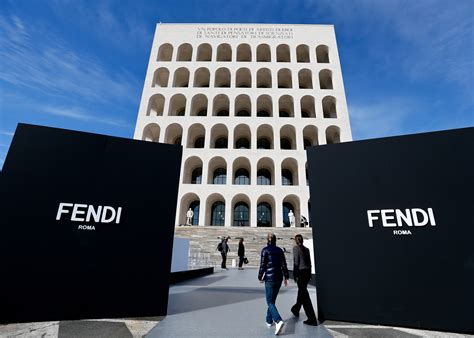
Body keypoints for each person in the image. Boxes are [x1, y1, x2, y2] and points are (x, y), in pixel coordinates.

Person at [258, 233, 289, 336]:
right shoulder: (280, 250)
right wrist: (286, 277)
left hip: (270, 279)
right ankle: (268, 320)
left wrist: (260, 276)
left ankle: (278, 320)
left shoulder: (265, 250)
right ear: (275, 240)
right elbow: (284, 264)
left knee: (270, 301)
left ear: (268, 240)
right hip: (279, 278)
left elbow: (262, 265)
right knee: (272, 300)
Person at [291, 234, 318, 326]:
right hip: (306, 273)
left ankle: (312, 318)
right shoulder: (307, 249)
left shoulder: (295, 248)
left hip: (301, 272)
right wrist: (310, 274)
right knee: (302, 292)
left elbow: (296, 262)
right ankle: (295, 309)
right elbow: (309, 263)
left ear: (296, 240)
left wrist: (294, 274)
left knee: (305, 295)